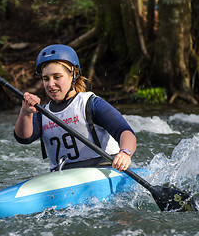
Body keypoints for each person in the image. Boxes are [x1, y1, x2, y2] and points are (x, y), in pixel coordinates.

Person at [14, 44, 136, 172]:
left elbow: (125, 131)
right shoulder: (43, 113)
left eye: (57, 77)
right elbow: (24, 138)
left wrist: (125, 153)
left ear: (73, 74)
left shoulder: (90, 103)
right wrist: (26, 112)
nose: (50, 84)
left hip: (103, 169)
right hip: (62, 175)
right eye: (46, 79)